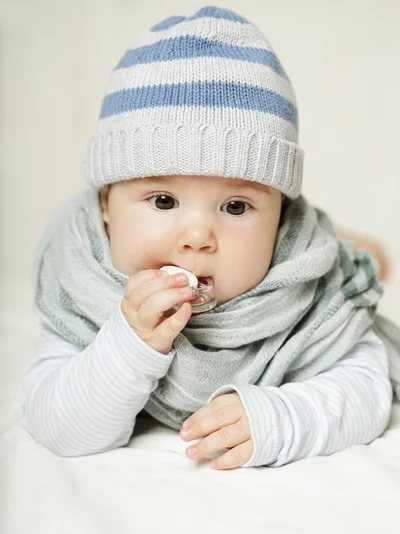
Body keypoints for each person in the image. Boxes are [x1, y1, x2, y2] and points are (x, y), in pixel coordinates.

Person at [21, 6, 400, 469]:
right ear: (105, 205)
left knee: (346, 258)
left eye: (236, 206)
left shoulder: (308, 293)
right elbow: (56, 424)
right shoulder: (81, 282)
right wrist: (128, 343)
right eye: (163, 201)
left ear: (281, 219)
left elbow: (365, 386)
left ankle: (353, 244)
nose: (198, 236)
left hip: (300, 259)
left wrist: (282, 417)